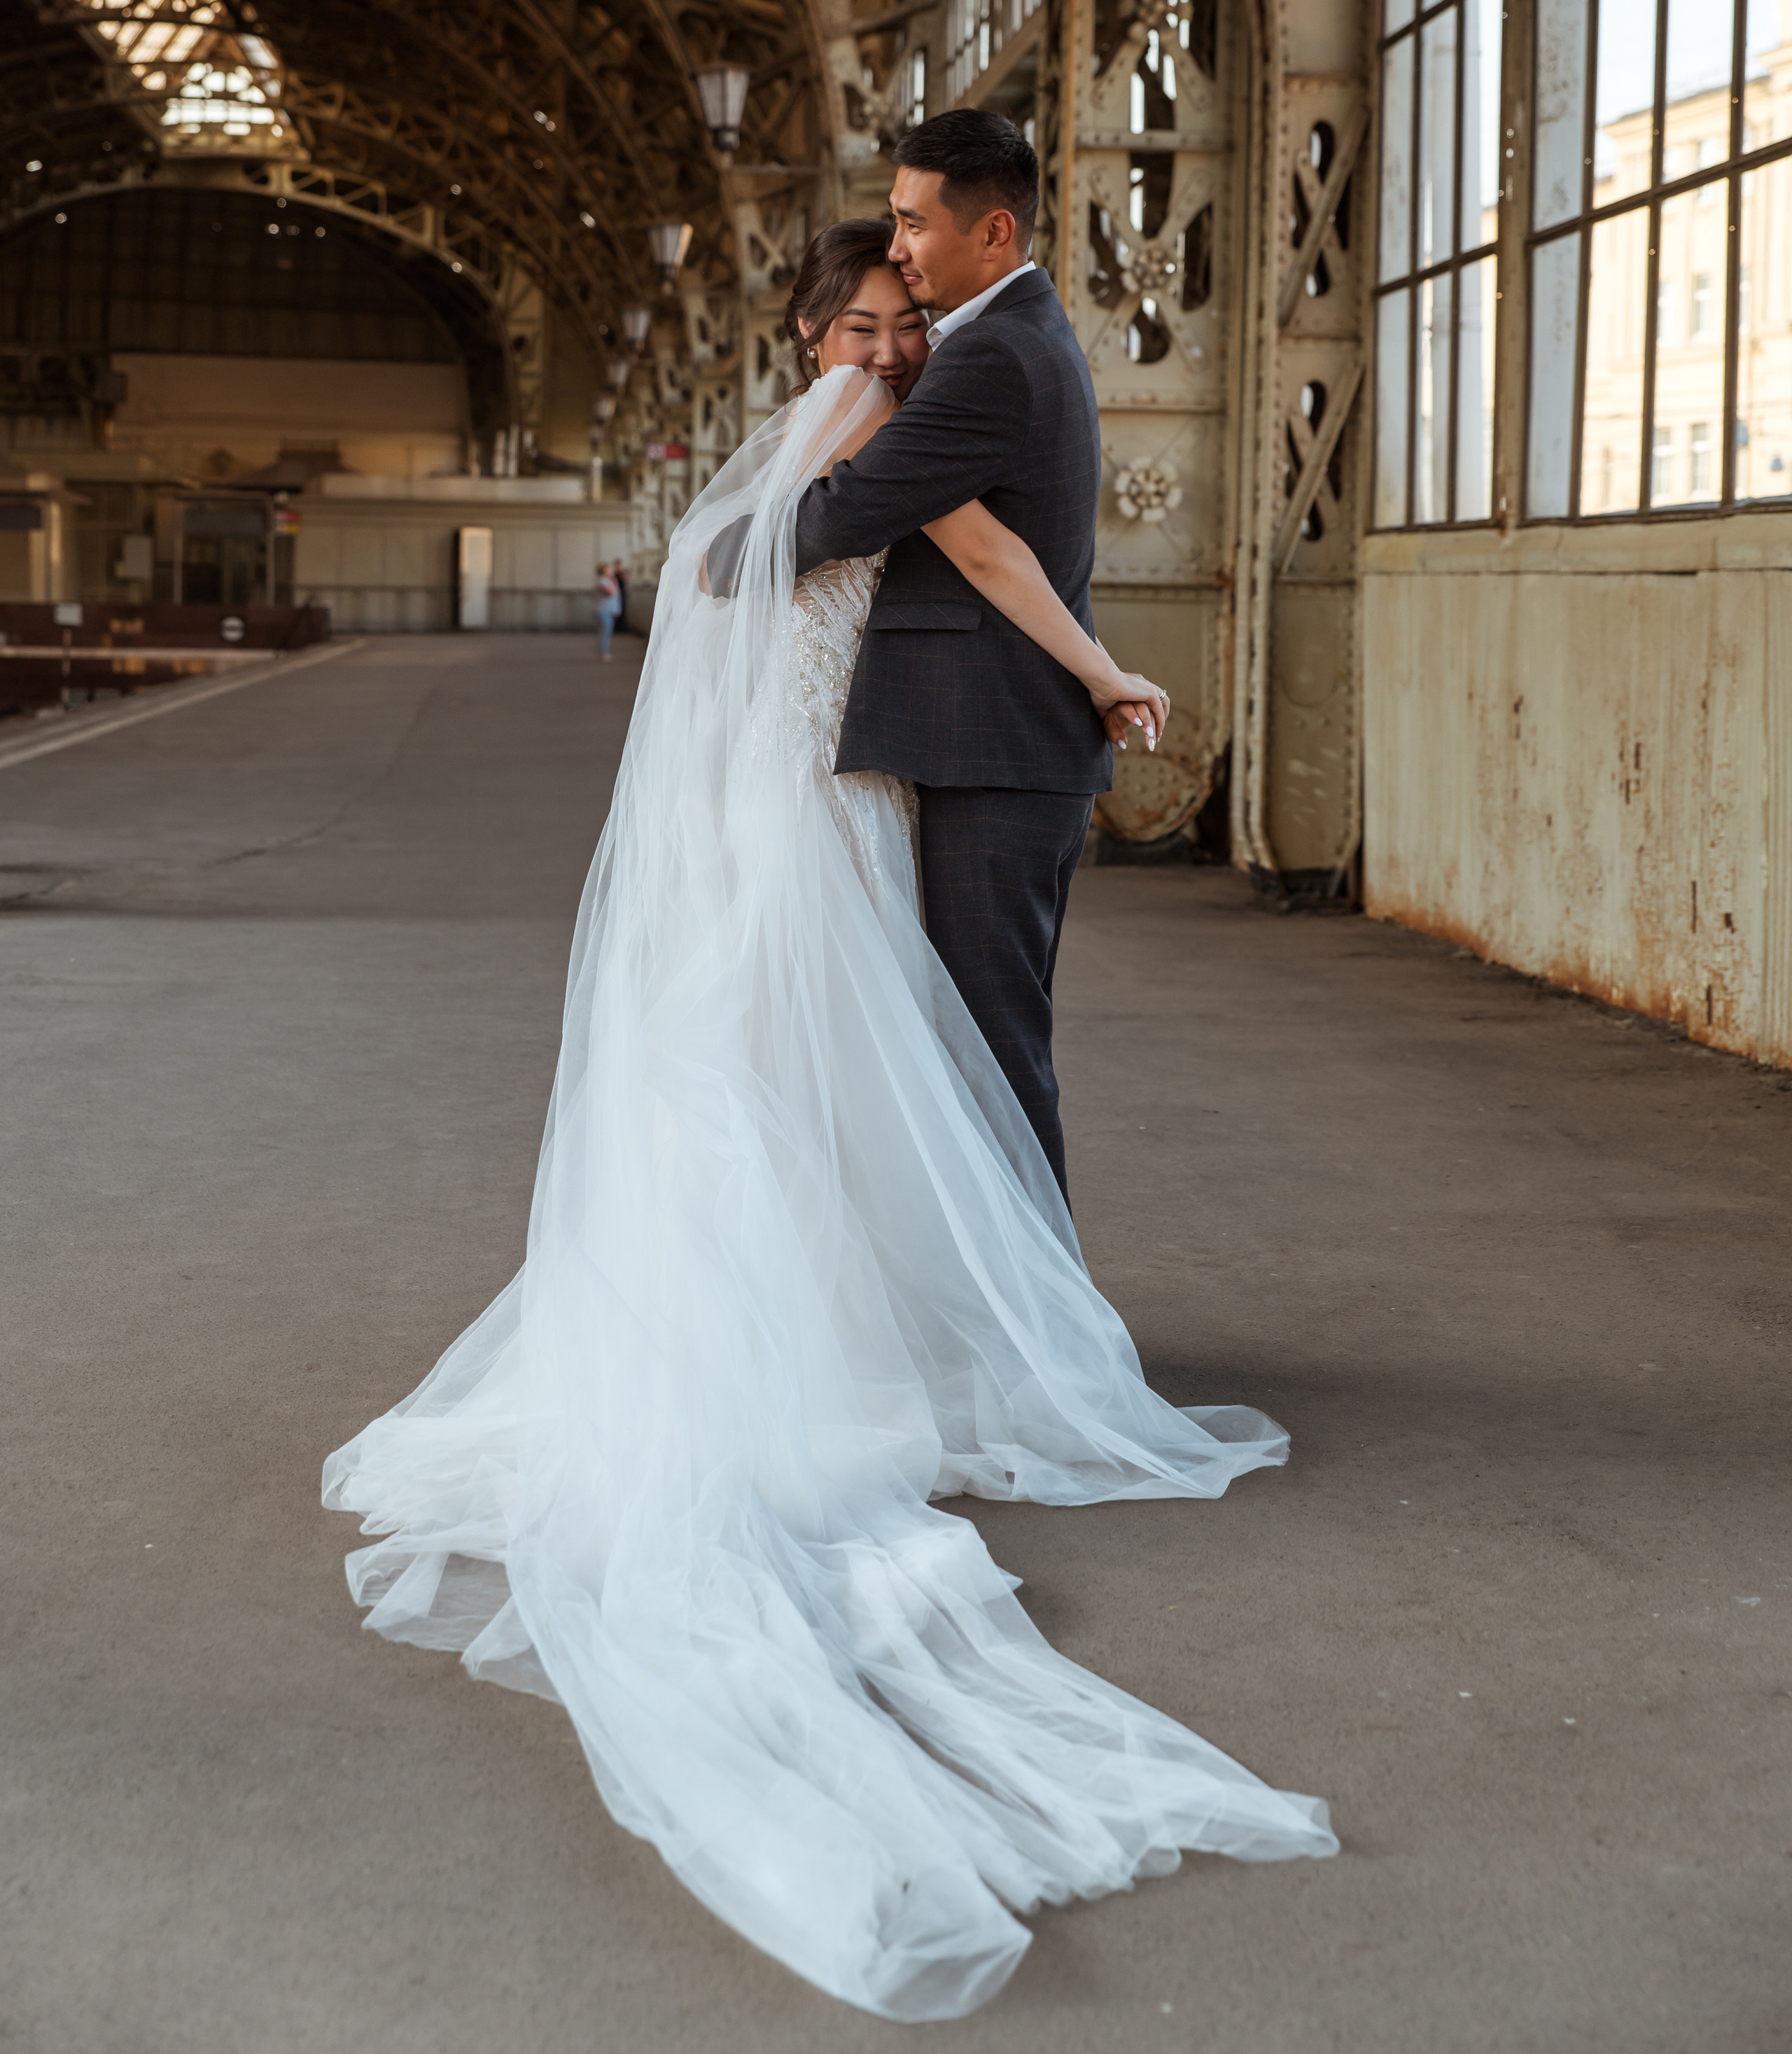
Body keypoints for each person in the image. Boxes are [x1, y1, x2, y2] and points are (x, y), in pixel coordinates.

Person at [324, 217, 1334, 2025]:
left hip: (819, 818)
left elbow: (851, 584)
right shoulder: (866, 452)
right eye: (859, 322)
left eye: (902, 320)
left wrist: (1075, 670)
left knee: (805, 1102)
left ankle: (827, 1334)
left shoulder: (803, 464)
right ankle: (842, 1352)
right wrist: (1102, 669)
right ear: (810, 335)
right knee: (827, 1095)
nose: (885, 344)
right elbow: (995, 553)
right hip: (810, 829)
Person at [791, 111, 1107, 1205]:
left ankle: (1045, 1333)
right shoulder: (1005, 340)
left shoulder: (993, 359)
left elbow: (856, 512)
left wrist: (726, 549)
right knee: (977, 1043)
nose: (905, 243)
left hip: (996, 754)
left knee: (992, 1051)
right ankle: (1017, 1313)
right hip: (997, 747)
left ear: (995, 229)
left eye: (916, 222)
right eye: (895, 218)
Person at [593, 561, 622, 660]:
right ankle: (603, 653)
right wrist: (614, 580)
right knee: (605, 632)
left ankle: (604, 652)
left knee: (607, 631)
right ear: (604, 571)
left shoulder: (608, 580)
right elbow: (610, 592)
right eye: (609, 569)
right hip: (603, 610)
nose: (611, 571)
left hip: (607, 610)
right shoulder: (603, 581)